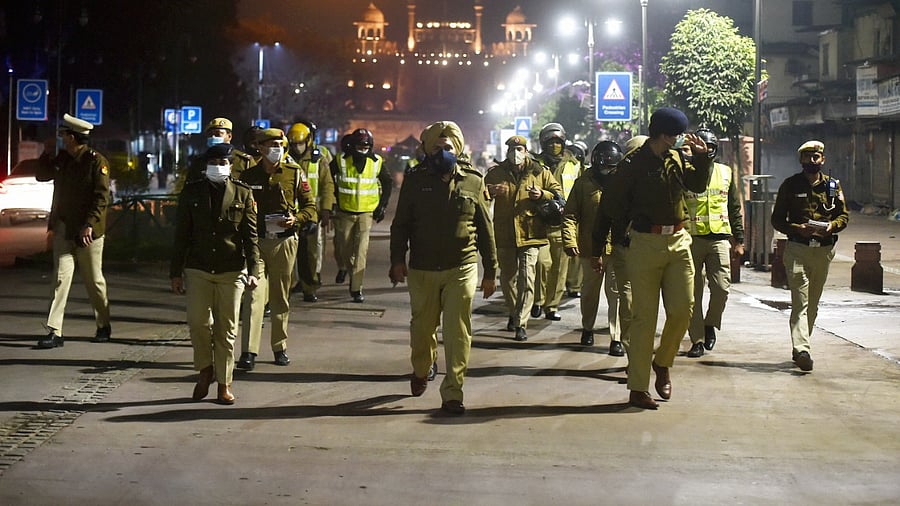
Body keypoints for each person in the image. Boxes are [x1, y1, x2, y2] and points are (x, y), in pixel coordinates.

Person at [598, 107, 711, 410]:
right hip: (645, 243)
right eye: (675, 134)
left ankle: (662, 362)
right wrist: (611, 242)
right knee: (643, 319)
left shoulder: (675, 158)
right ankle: (638, 387)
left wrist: (702, 159)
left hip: (678, 239)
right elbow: (610, 206)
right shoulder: (632, 165)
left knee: (683, 308)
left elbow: (697, 185)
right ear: (664, 134)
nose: (678, 140)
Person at [389, 121, 498, 415]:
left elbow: (485, 230)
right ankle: (422, 368)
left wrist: (491, 271)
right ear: (425, 148)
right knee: (423, 331)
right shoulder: (414, 179)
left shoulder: (474, 181)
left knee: (457, 331)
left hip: (460, 267)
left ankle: (453, 391)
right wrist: (397, 260)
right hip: (423, 268)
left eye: (448, 148)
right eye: (436, 147)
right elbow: (401, 225)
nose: (442, 153)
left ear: (458, 150)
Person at [170, 143, 260, 404]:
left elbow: (250, 237)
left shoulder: (243, 194)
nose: (218, 167)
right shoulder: (192, 192)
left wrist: (254, 270)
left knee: (226, 329)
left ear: (231, 166)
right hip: (198, 266)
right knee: (197, 321)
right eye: (213, 163)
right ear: (205, 165)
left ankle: (224, 382)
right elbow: (181, 236)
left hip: (231, 269)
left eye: (223, 162)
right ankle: (205, 369)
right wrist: (175, 272)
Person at [237, 128, 317, 370]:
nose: (277, 149)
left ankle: (279, 347)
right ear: (259, 148)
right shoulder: (249, 176)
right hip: (257, 244)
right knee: (254, 297)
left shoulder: (293, 173)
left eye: (280, 145)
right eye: (271, 145)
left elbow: (310, 206)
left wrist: (298, 219)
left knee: (280, 297)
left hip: (284, 242)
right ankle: (248, 352)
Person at [34, 113, 112, 349]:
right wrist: (46, 153)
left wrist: (89, 223)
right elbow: (42, 175)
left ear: (72, 137)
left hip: (88, 233)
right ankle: (55, 331)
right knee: (60, 278)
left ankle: (103, 324)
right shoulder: (64, 159)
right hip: (65, 228)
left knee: (94, 281)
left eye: (64, 135)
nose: (61, 139)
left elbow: (101, 197)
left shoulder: (96, 161)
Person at [771, 140, 848, 372]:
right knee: (800, 302)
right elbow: (777, 220)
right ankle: (803, 349)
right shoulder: (790, 186)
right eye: (808, 157)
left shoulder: (833, 186)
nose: (812, 161)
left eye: (816, 157)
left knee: (812, 305)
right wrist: (796, 228)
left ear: (822, 160)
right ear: (801, 160)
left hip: (823, 250)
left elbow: (843, 217)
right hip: (797, 249)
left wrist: (831, 226)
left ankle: (801, 346)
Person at [484, 135, 562, 342]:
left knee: (527, 278)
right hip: (505, 234)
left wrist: (542, 194)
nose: (515, 153)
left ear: (526, 151)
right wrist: (490, 191)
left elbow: (557, 194)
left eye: (519, 149)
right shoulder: (496, 173)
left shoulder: (539, 171)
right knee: (508, 279)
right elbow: (480, 195)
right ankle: (513, 312)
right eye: (511, 149)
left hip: (531, 233)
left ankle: (521, 322)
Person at [682, 129, 745, 358]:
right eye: (702, 147)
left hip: (719, 238)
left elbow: (734, 209)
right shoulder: (686, 172)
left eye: (709, 147)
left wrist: (739, 240)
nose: (706, 151)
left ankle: (710, 323)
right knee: (692, 294)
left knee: (721, 288)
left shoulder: (726, 173)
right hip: (691, 239)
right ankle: (696, 340)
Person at [563, 141, 625, 356]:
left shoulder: (622, 183)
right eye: (606, 166)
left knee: (616, 294)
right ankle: (587, 328)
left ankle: (616, 337)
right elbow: (570, 215)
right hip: (590, 251)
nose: (609, 170)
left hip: (616, 250)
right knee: (589, 294)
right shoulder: (583, 184)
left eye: (613, 166)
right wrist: (570, 241)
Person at [330, 128, 392, 303]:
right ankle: (348, 271)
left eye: (366, 145)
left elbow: (388, 182)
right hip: (344, 213)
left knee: (361, 251)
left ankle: (356, 287)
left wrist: (382, 206)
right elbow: (328, 180)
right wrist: (332, 201)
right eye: (360, 145)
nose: (363, 148)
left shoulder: (377, 162)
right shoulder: (341, 161)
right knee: (344, 249)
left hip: (366, 213)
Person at [532, 123, 581, 321]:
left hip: (565, 223)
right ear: (543, 143)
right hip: (539, 222)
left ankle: (551, 306)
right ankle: (537, 300)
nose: (554, 146)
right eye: (550, 142)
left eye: (558, 142)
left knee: (560, 269)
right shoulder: (533, 164)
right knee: (541, 265)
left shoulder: (574, 164)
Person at [287, 120, 336, 302]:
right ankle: (289, 286)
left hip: (310, 215)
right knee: (288, 255)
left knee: (310, 255)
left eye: (300, 143)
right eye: (294, 144)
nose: (297, 147)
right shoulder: (285, 159)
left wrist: (326, 209)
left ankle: (310, 288)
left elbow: (327, 185)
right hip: (289, 215)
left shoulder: (319, 160)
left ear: (308, 141)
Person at [175, 118, 254, 193]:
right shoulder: (199, 161)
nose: (213, 137)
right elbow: (189, 189)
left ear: (229, 136)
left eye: (217, 134)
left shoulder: (244, 161)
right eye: (210, 135)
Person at [565, 139, 589, 299]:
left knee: (576, 254)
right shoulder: (566, 166)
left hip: (578, 214)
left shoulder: (585, 171)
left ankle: (573, 285)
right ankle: (569, 284)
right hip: (565, 213)